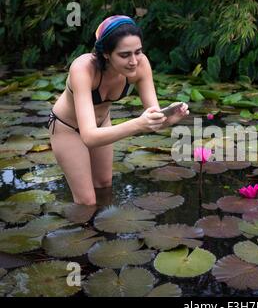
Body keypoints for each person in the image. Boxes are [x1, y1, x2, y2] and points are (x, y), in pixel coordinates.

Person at [47, 15, 189, 206]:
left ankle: (101, 234)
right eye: (124, 55)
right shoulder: (82, 68)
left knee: (104, 184)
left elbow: (153, 117)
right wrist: (138, 124)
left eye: (138, 52)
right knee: (86, 201)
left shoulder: (142, 64)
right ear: (106, 53)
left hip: (101, 124)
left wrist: (168, 120)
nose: (133, 61)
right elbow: (89, 136)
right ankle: (80, 231)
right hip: (67, 128)